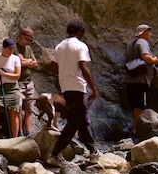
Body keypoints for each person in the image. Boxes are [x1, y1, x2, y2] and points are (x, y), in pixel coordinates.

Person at [46, 20, 99, 166]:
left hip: (66, 87)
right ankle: (55, 154)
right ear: (79, 31)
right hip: (78, 86)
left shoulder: (60, 46)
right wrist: (93, 88)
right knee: (75, 121)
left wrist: (65, 71)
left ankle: (93, 151)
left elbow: (52, 68)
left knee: (80, 119)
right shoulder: (80, 46)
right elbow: (84, 67)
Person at [126, 24, 158, 135]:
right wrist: (154, 60)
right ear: (143, 33)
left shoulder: (131, 43)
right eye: (149, 32)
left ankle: (135, 128)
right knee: (140, 106)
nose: (150, 34)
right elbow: (146, 57)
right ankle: (137, 130)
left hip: (131, 79)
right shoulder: (142, 42)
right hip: (141, 80)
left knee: (136, 106)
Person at [14, 27, 40, 136]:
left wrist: (26, 61)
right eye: (28, 39)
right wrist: (28, 61)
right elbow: (20, 62)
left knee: (29, 109)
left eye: (31, 40)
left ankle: (28, 133)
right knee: (19, 108)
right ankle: (19, 132)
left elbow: (35, 63)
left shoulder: (28, 48)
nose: (29, 42)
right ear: (22, 35)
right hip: (18, 83)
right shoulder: (14, 47)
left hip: (29, 83)